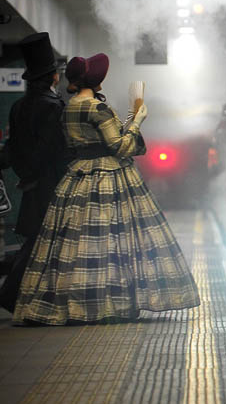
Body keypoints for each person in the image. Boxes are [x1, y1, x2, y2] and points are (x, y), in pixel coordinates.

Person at [12, 52, 200, 324]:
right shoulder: (97, 108)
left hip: (77, 176)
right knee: (113, 241)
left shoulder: (69, 107)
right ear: (96, 80)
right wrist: (137, 120)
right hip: (109, 177)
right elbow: (120, 146)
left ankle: (75, 303)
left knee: (74, 246)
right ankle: (108, 303)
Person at [0, 32, 69, 313]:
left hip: (29, 184)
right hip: (50, 184)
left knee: (37, 241)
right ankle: (10, 295)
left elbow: (13, 147)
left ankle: (32, 298)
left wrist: (25, 174)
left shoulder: (18, 107)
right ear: (52, 77)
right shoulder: (53, 107)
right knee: (42, 242)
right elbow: (51, 149)